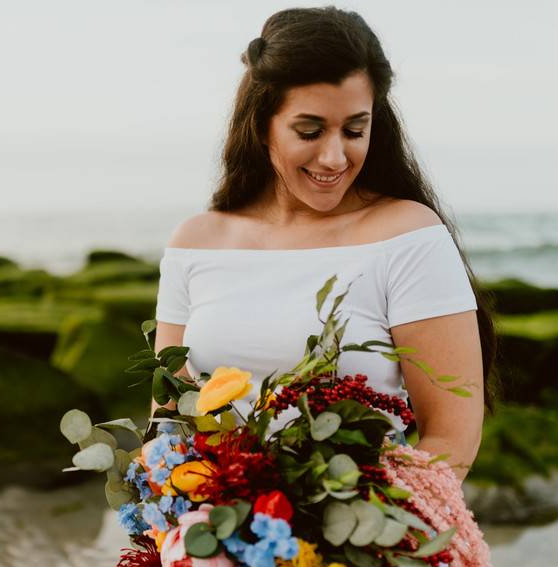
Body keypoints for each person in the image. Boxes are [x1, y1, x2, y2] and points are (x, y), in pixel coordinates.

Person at [153, 3, 497, 488]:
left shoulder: (409, 236)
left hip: (368, 546)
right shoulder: (196, 243)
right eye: (310, 131)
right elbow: (166, 423)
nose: (335, 156)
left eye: (355, 129)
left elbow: (450, 440)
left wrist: (331, 542)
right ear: (262, 123)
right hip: (211, 547)